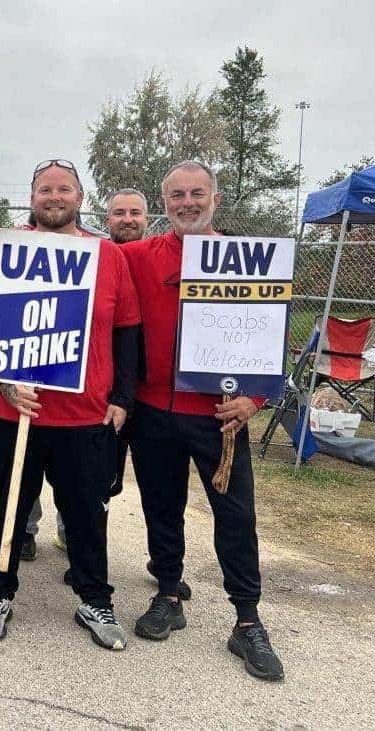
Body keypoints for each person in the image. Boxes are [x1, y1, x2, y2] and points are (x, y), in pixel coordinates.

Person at [0, 159, 141, 651]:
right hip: (13, 411)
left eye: (64, 189)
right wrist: (2, 384)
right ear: (33, 197)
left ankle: (95, 597)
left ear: (80, 199)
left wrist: (123, 398)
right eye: (45, 189)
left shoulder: (108, 256)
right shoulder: (7, 251)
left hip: (85, 413)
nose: (54, 197)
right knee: (6, 505)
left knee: (87, 512)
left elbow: (127, 330)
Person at [121, 161, 284, 681]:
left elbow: (270, 336)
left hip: (220, 416)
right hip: (152, 411)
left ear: (215, 199)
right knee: (160, 507)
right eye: (176, 195)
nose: (187, 202)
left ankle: (247, 620)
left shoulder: (247, 261)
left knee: (235, 517)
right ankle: (168, 594)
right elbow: (82, 265)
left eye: (197, 194)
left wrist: (255, 400)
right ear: (163, 202)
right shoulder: (138, 256)